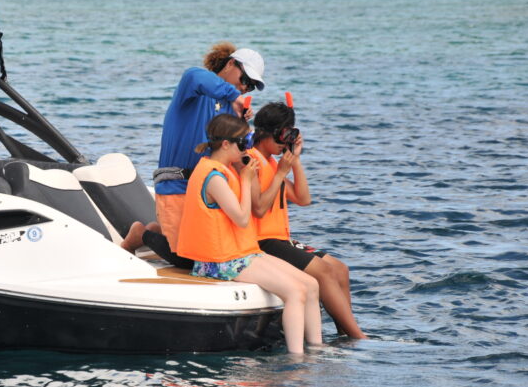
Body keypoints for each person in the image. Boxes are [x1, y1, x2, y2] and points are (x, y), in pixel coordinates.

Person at [176, 113, 322, 354]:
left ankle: (317, 349)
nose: (247, 147)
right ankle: (298, 358)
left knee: (311, 284)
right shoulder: (213, 177)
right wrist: (246, 180)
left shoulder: (227, 169)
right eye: (243, 143)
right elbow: (242, 218)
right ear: (225, 144)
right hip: (220, 261)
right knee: (295, 291)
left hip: (240, 253)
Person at [248, 102, 366, 339]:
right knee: (323, 271)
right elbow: (258, 209)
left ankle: (345, 333)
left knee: (340, 269)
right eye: (282, 138)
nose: (284, 144)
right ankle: (358, 337)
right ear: (265, 134)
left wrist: (296, 161)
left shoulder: (272, 161)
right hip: (262, 240)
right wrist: (282, 172)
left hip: (281, 238)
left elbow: (303, 199)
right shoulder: (253, 161)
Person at [144, 42, 264, 265]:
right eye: (245, 80)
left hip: (207, 191)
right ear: (230, 64)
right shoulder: (194, 89)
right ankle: (141, 234)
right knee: (187, 260)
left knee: (209, 255)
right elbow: (194, 76)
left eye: (251, 87)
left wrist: (244, 127)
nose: (245, 88)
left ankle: (157, 229)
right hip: (176, 185)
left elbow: (233, 152)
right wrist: (234, 96)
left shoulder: (231, 109)